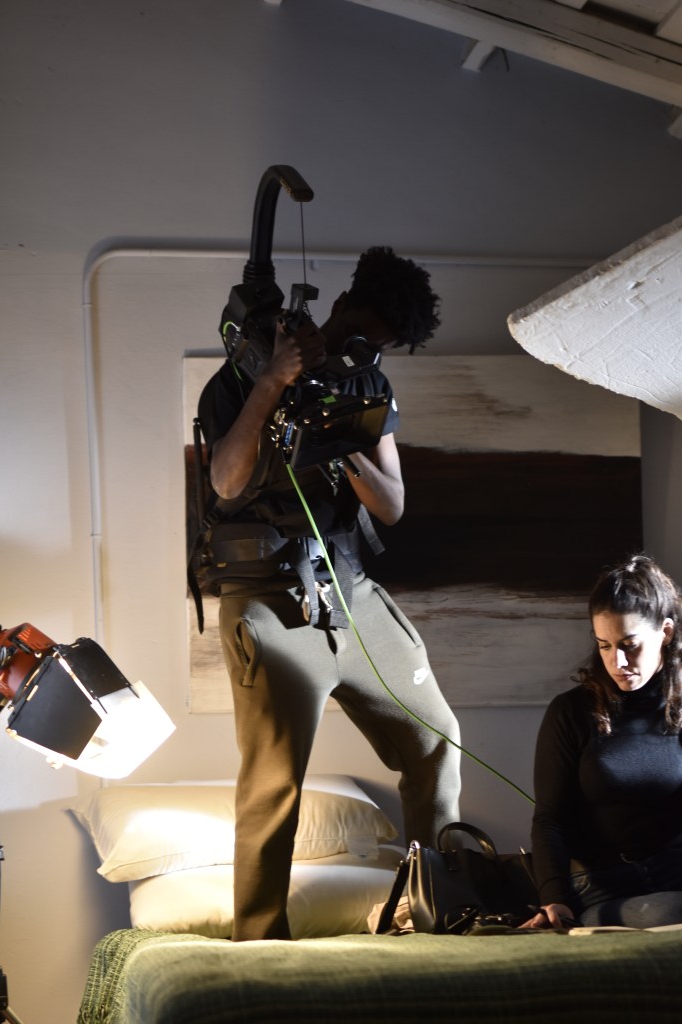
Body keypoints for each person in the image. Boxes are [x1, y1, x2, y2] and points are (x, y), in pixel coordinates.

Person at [197, 246, 462, 942]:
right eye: (360, 334)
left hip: (351, 592)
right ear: (340, 305)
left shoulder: (367, 384)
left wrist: (339, 435)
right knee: (274, 783)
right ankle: (260, 947)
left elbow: (392, 505)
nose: (363, 351)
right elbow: (225, 481)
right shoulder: (242, 374)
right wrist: (273, 384)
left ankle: (433, 914)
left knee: (436, 740)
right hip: (269, 599)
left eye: (378, 346)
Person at [524, 553, 682, 930]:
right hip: (602, 887)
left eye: (630, 644)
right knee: (672, 914)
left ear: (666, 632)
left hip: (674, 875)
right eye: (605, 645)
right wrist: (554, 900)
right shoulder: (571, 712)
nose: (618, 662)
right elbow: (550, 819)